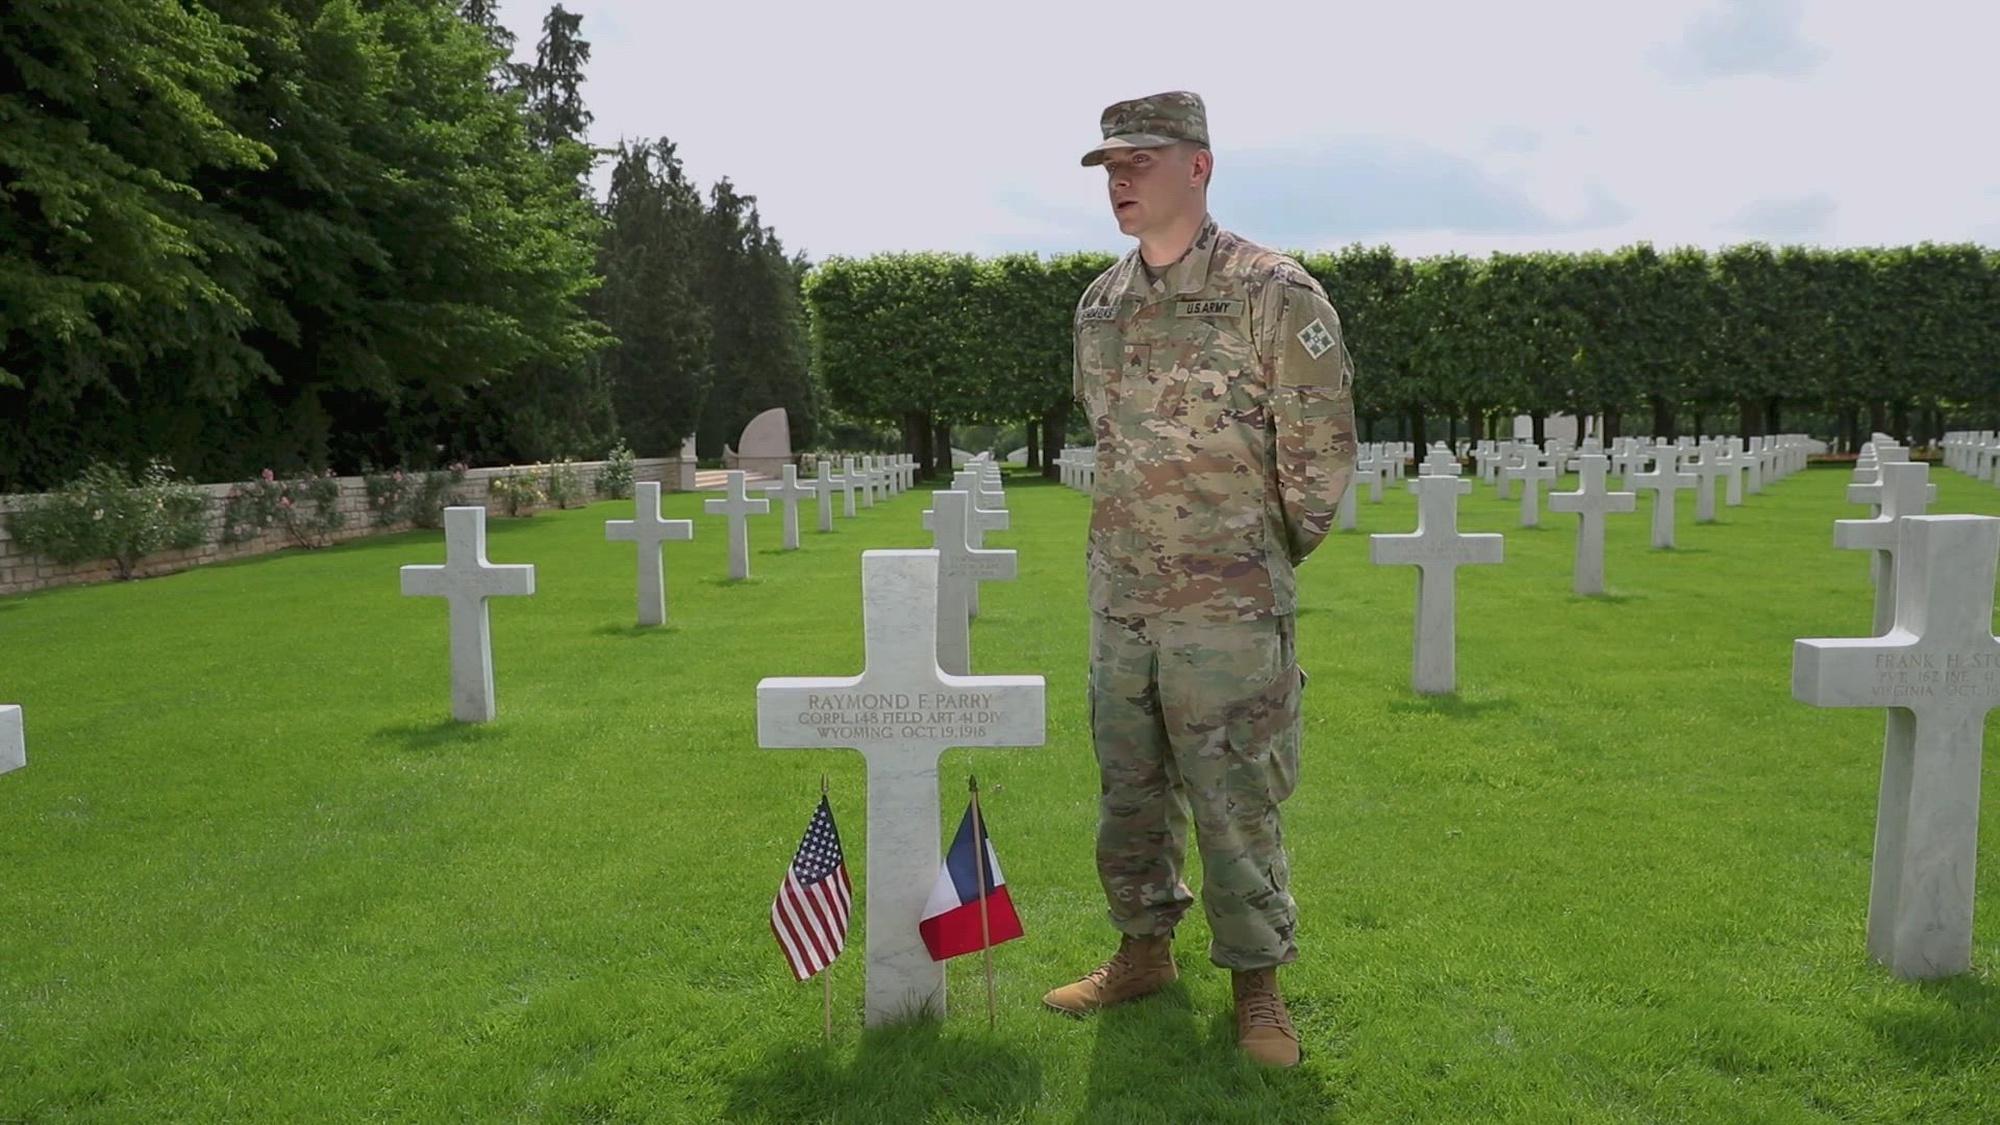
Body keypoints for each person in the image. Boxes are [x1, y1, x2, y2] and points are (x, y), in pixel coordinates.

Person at [1043, 91, 1358, 1069]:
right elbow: (1106, 435)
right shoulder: (1099, 304)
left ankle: (1256, 986)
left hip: (1227, 607)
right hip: (1120, 598)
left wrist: (1249, 561)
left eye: (1139, 160)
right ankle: (1142, 952)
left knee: (1233, 795)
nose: (1121, 180)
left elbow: (1319, 460)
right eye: (1109, 167)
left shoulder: (1275, 293)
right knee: (1127, 789)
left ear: (1198, 167)